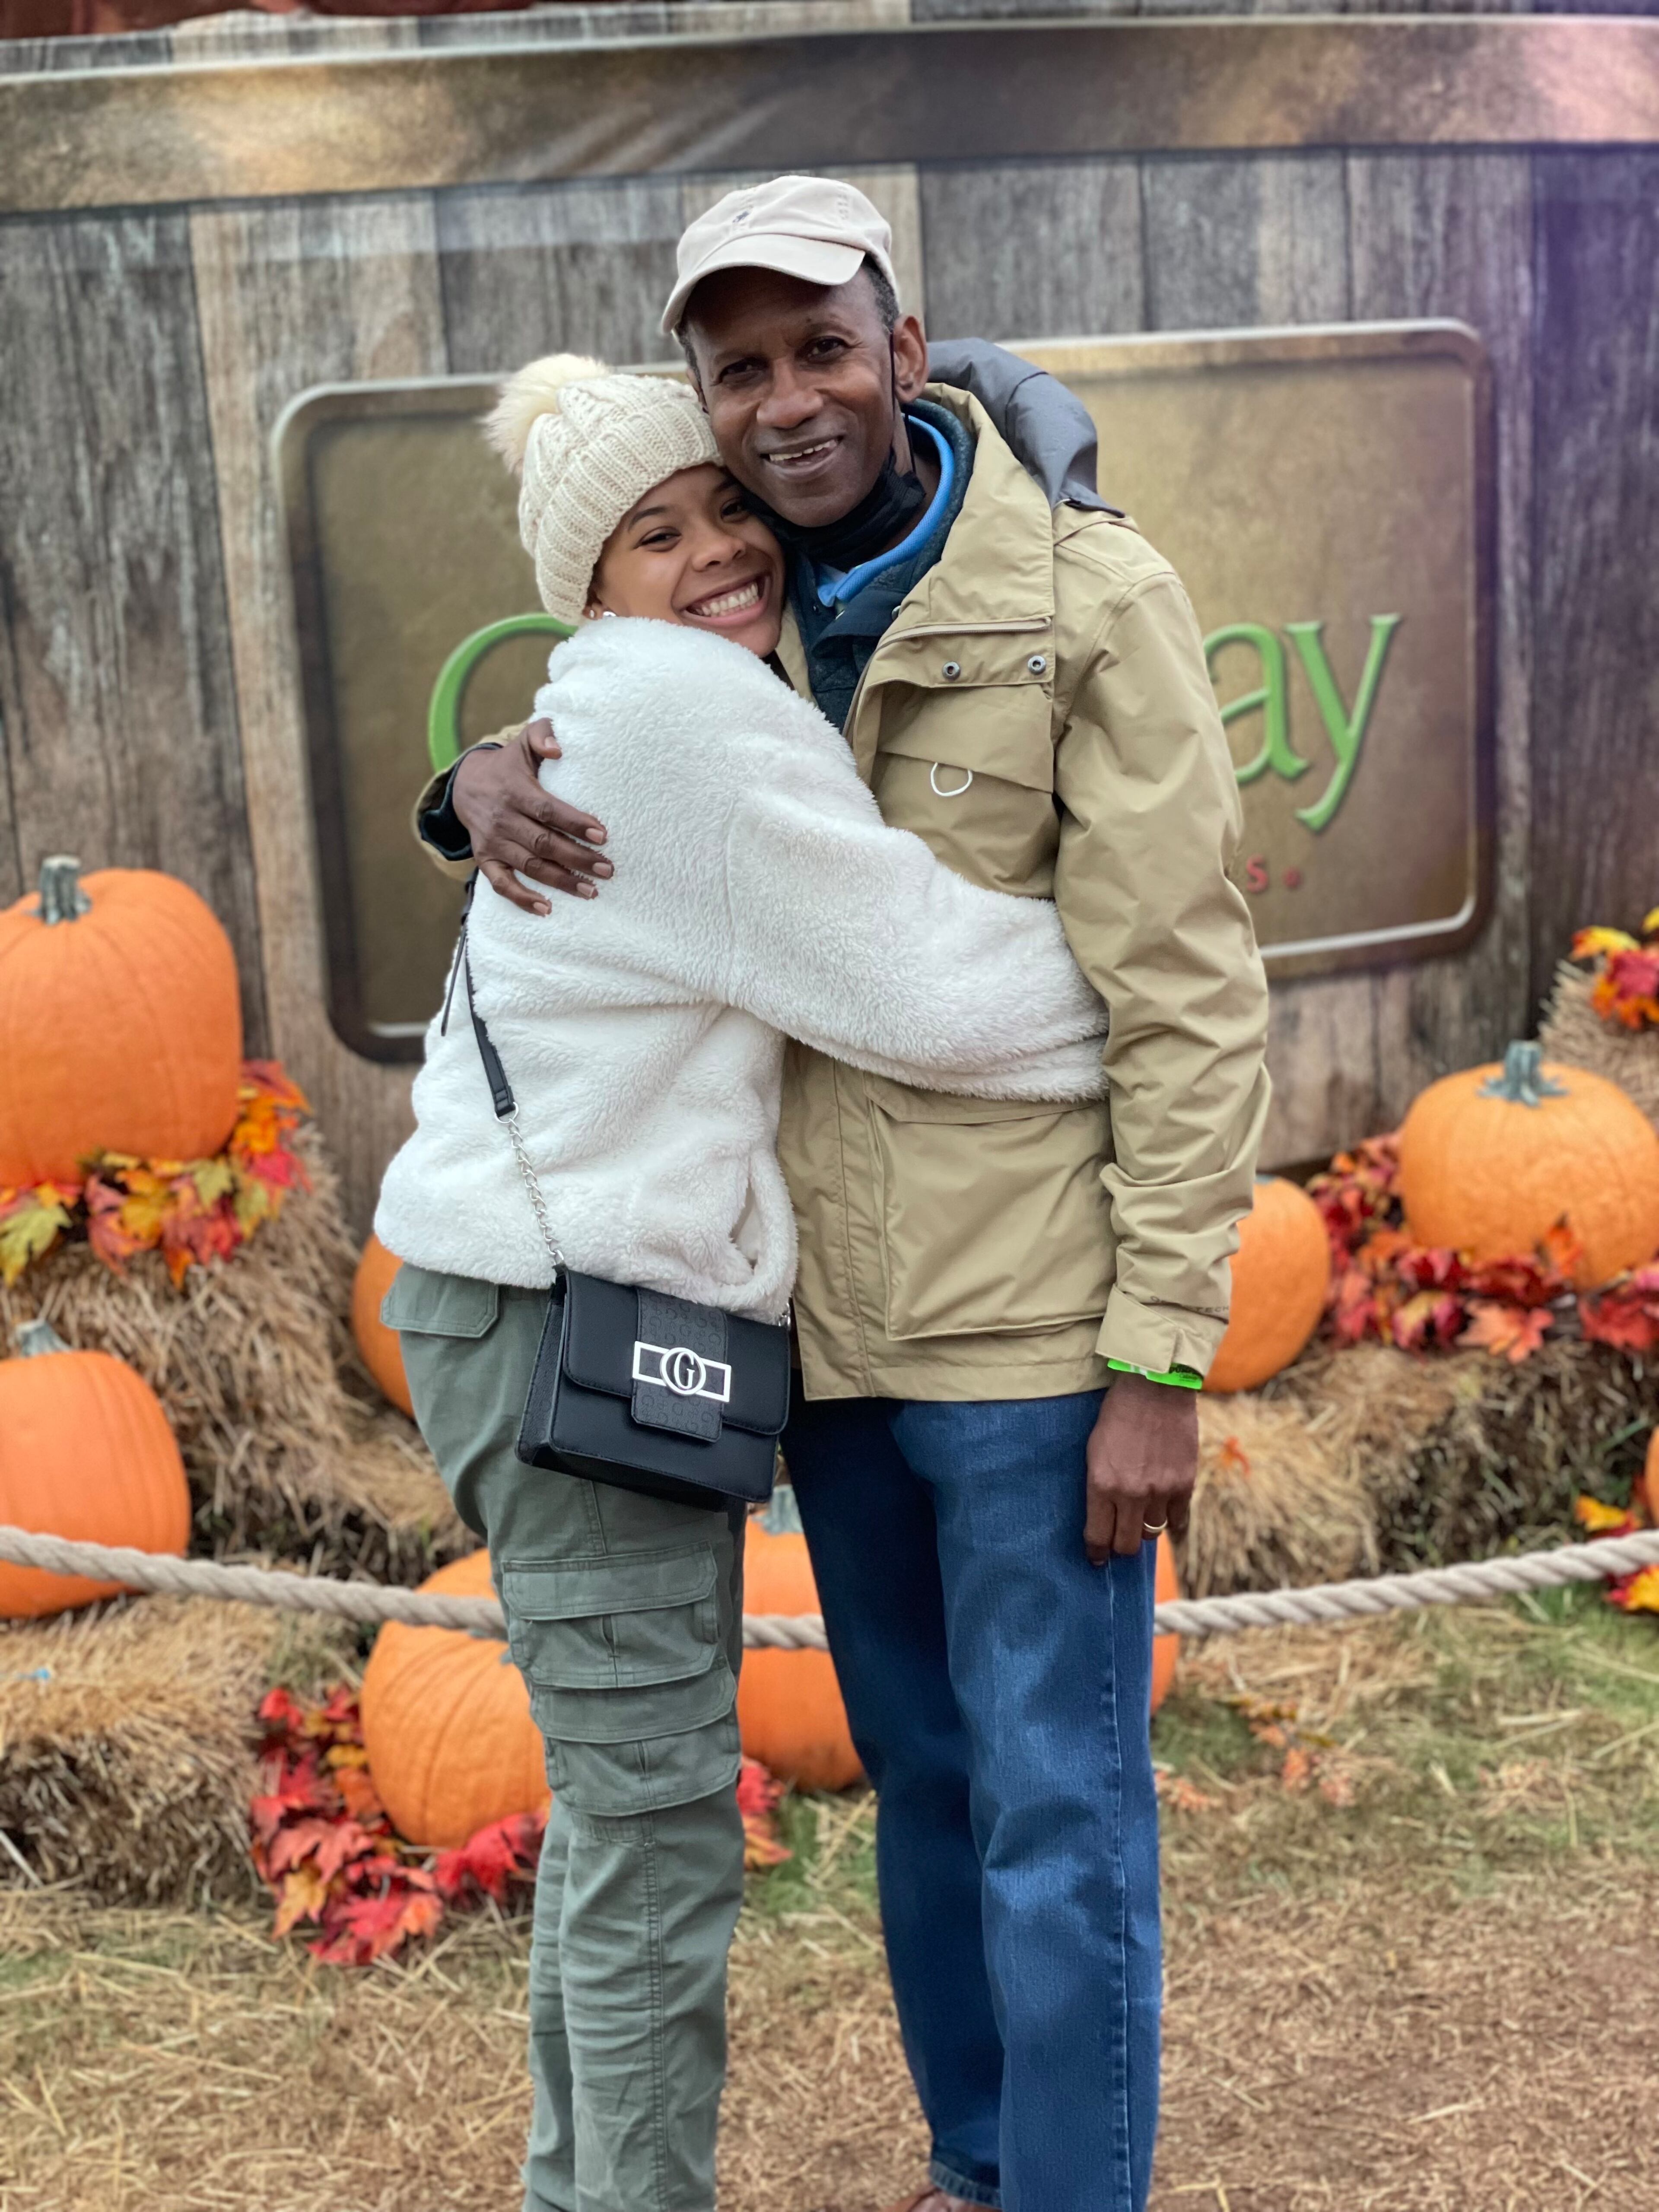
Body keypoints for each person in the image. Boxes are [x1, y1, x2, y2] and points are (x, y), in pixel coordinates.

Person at [413, 178, 1272, 2212]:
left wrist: (1163, 1346)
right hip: (825, 1350)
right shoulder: (730, 619)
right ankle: (980, 2161)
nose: (780, 417)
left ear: (909, 346)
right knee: (923, 1791)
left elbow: (1182, 999)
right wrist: (471, 774)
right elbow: (633, 735)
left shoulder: (1081, 601)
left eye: (824, 347)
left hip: (1033, 1326)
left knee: (1060, 1812)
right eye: (742, 375)